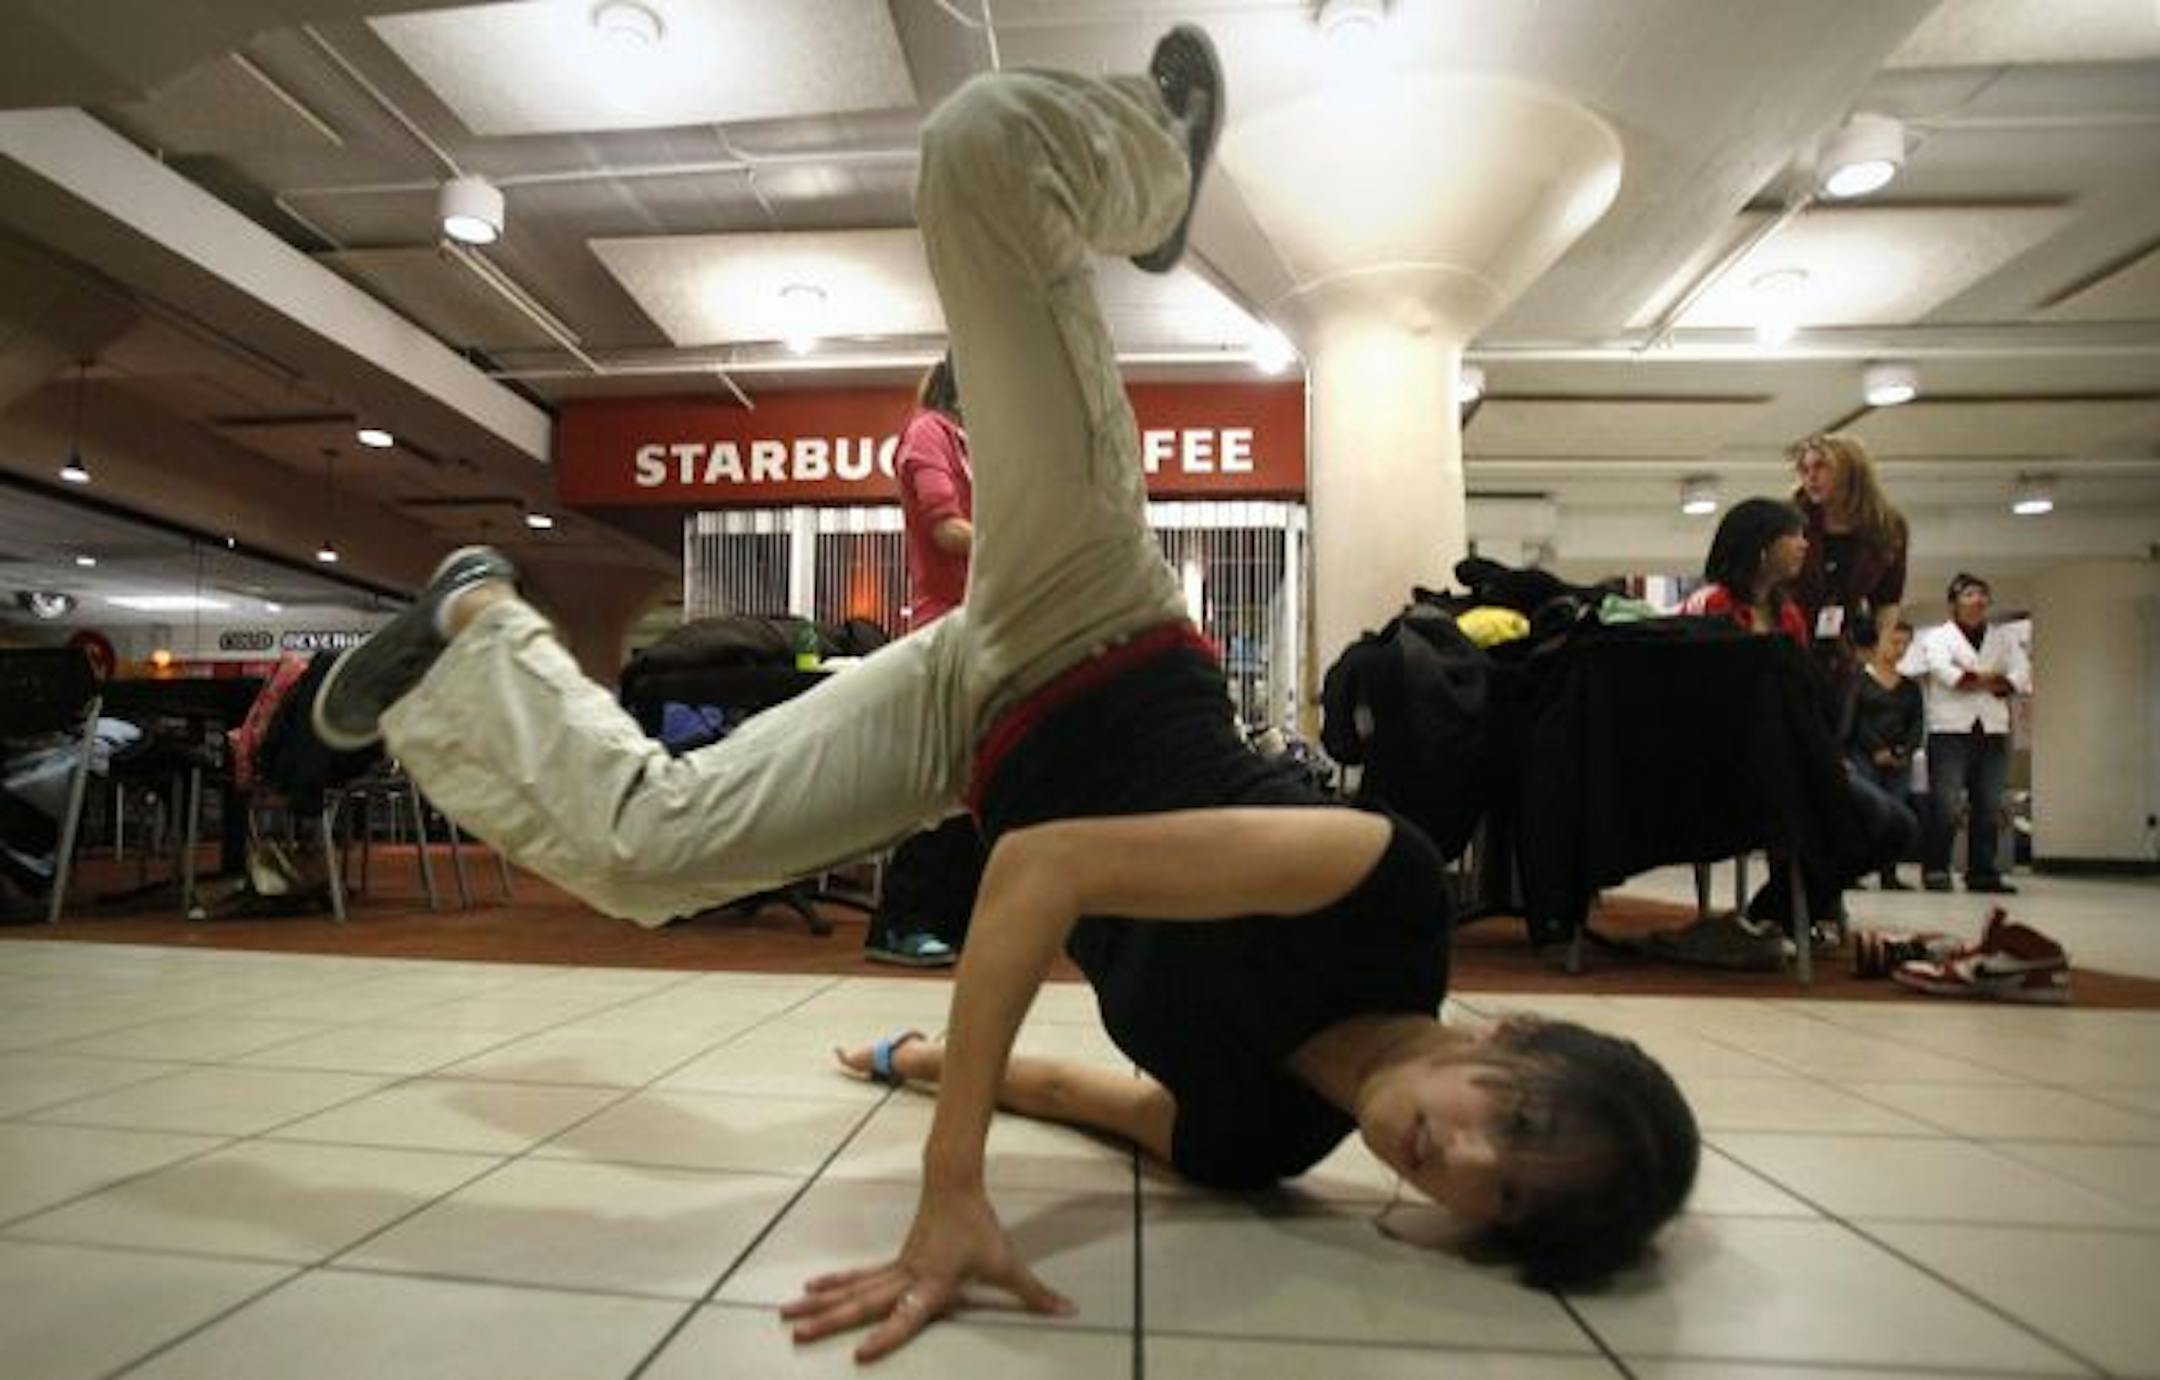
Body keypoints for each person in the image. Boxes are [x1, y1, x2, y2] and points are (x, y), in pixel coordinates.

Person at [310, 29, 1699, 1359]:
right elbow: (1039, 871)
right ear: (1511, 1040)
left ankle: (474, 627)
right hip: (1087, 620)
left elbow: (1082, 1096)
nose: (1455, 1156)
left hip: (973, 734)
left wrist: (913, 1057)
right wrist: (950, 1183)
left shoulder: (1259, 1145)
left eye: (1502, 1199)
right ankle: (1152, 162)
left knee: (644, 853)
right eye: (1507, 1120)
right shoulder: (1384, 894)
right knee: (982, 148)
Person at [1674, 499, 1915, 953]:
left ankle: (1771, 913)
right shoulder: (1712, 607)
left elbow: (1800, 702)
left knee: (1896, 827)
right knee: (1833, 815)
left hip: (1795, 758)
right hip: (1733, 766)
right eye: (1794, 535)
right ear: (1762, 546)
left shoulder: (1789, 617)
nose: (1805, 545)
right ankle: (1791, 911)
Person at [863, 356, 991, 967]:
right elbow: (945, 529)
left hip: (984, 624)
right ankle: (900, 923)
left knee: (979, 781)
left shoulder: (977, 442)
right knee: (948, 783)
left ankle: (950, 917)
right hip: (946, 626)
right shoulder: (927, 433)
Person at [1908, 572, 2029, 894]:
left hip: (1991, 730)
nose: (1977, 601)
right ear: (1954, 603)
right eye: (1969, 595)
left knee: (1989, 805)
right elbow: (1950, 677)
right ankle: (1936, 868)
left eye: (1982, 595)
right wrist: (1992, 679)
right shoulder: (1937, 638)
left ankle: (1982, 872)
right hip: (1949, 731)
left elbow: (2019, 677)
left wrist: (1982, 679)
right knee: (1945, 805)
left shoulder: (2004, 638)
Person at [1787, 433, 1909, 670]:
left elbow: (1888, 597)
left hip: (1841, 649)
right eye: (1804, 469)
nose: (1810, 477)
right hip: (1788, 641)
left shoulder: (1887, 526)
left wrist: (1880, 647)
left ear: (1850, 472)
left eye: (1821, 467)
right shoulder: (1791, 519)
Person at [1844, 617, 1922, 890]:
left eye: (1905, 643)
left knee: (1895, 813)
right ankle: (1852, 870)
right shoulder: (1858, 681)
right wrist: (1876, 749)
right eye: (1894, 642)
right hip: (1865, 756)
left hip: (1899, 759)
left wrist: (1904, 750)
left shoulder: (1911, 687)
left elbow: (1916, 724)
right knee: (1865, 813)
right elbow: (1853, 721)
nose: (1899, 649)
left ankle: (1890, 873)